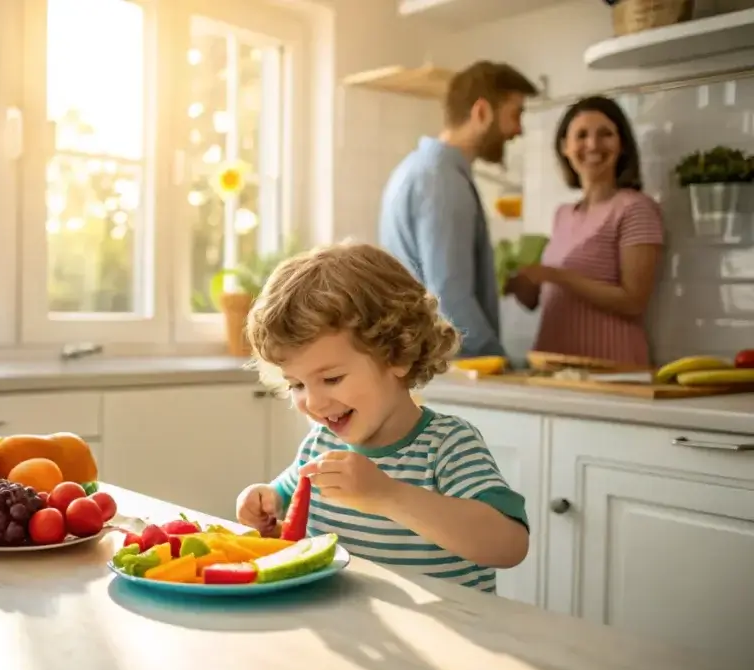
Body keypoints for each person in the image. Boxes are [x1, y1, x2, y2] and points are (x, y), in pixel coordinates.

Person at [235, 242, 529, 593]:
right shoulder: (321, 444)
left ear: (397, 355)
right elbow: (284, 497)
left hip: (448, 639)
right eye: (297, 384)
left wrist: (388, 495)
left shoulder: (448, 445)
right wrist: (264, 502)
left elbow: (509, 545)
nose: (312, 402)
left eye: (332, 379)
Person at [379, 61, 540, 359]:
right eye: (515, 114)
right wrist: (499, 361)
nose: (518, 130)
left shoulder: (417, 168)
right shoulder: (443, 181)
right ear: (482, 113)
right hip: (449, 367)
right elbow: (450, 298)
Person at [504, 96, 664, 367]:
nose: (593, 144)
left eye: (606, 134)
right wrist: (516, 282)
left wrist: (555, 275)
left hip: (610, 367)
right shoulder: (563, 214)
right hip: (554, 364)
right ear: (565, 147)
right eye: (581, 135)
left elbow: (634, 300)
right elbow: (541, 301)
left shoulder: (635, 208)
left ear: (622, 145)